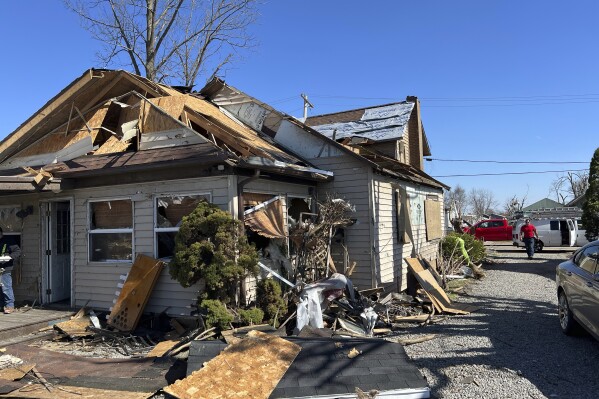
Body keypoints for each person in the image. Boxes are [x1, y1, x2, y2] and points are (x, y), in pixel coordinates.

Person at [0, 227, 20, 314]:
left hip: (5, 267)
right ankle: (1, 305)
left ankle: (10, 306)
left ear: (1, 233)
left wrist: (9, 257)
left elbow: (17, 251)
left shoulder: (8, 241)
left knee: (6, 287)